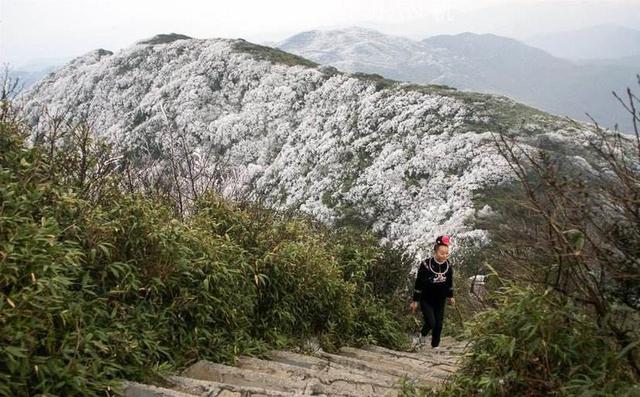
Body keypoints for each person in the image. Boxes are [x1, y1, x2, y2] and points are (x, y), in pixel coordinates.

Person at [410, 235, 455, 348]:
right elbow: (418, 283)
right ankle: (422, 335)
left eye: (446, 253)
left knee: (439, 325)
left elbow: (449, 282)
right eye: (441, 253)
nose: (444, 256)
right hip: (426, 299)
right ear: (435, 251)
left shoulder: (448, 265)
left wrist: (450, 296)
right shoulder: (426, 265)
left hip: (440, 300)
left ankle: (435, 346)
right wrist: (415, 301)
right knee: (431, 322)